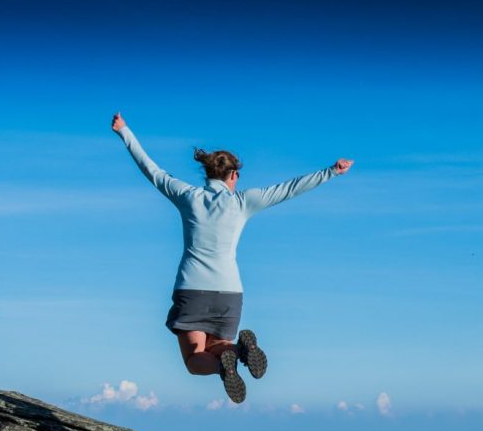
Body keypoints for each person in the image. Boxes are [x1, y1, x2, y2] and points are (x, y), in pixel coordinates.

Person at [111, 112, 353, 403]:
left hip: (193, 290)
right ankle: (237, 352)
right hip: (230, 293)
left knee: (194, 359)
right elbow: (288, 189)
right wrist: (331, 171)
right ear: (233, 175)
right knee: (220, 347)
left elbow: (152, 171)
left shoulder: (188, 196)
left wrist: (125, 131)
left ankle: (228, 367)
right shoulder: (242, 202)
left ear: (208, 173)